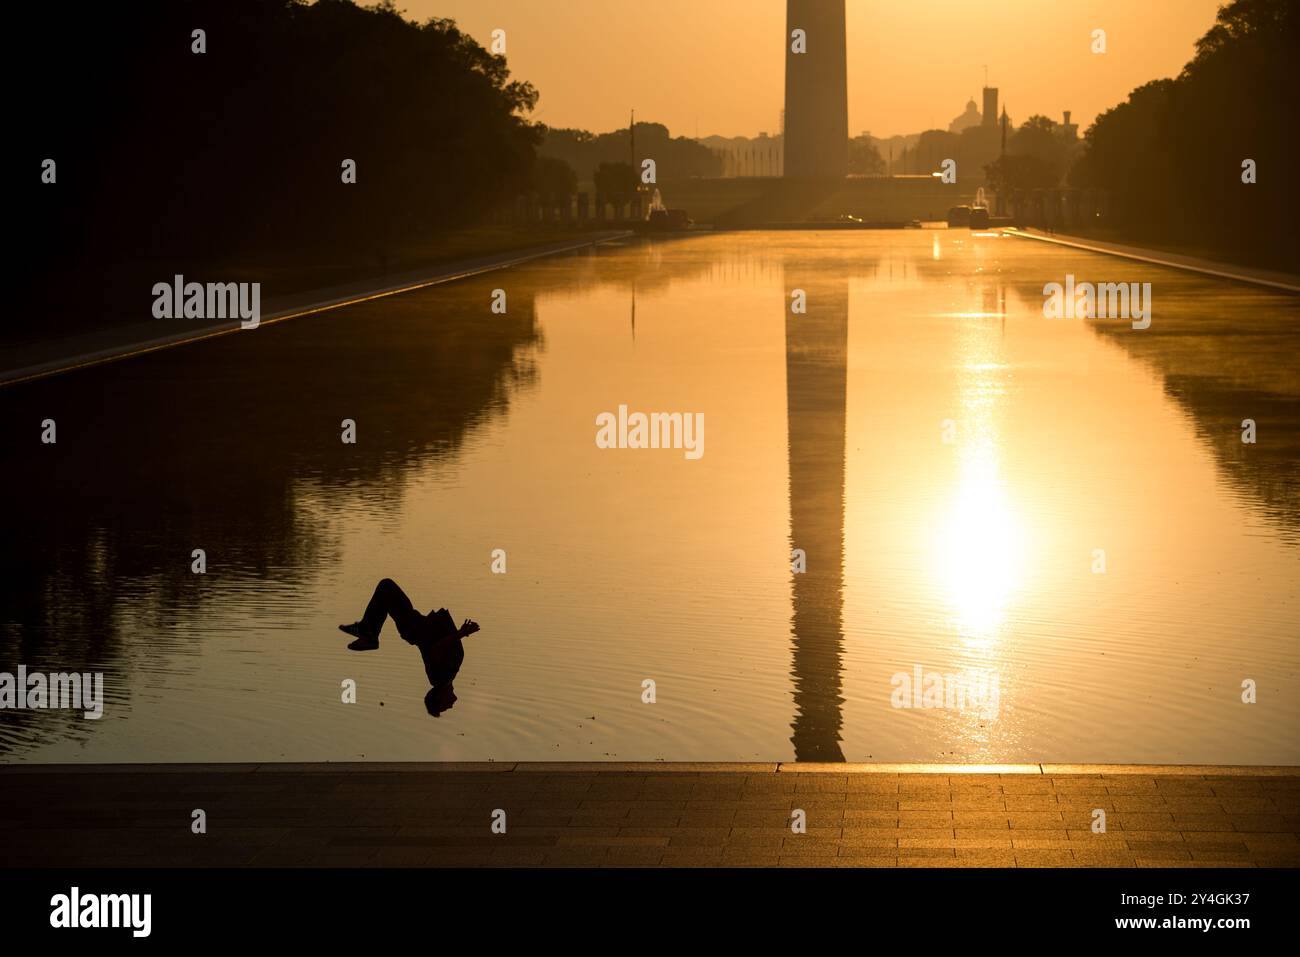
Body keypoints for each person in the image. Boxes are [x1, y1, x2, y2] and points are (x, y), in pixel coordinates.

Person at [339, 578, 479, 716]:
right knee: (386, 588)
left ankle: (369, 634)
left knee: (386, 587)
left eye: (444, 707)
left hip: (413, 628)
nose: (450, 706)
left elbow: (435, 650)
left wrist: (460, 634)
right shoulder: (448, 676)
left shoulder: (439, 679)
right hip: (415, 625)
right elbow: (443, 644)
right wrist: (462, 633)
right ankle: (369, 633)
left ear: (439, 698)